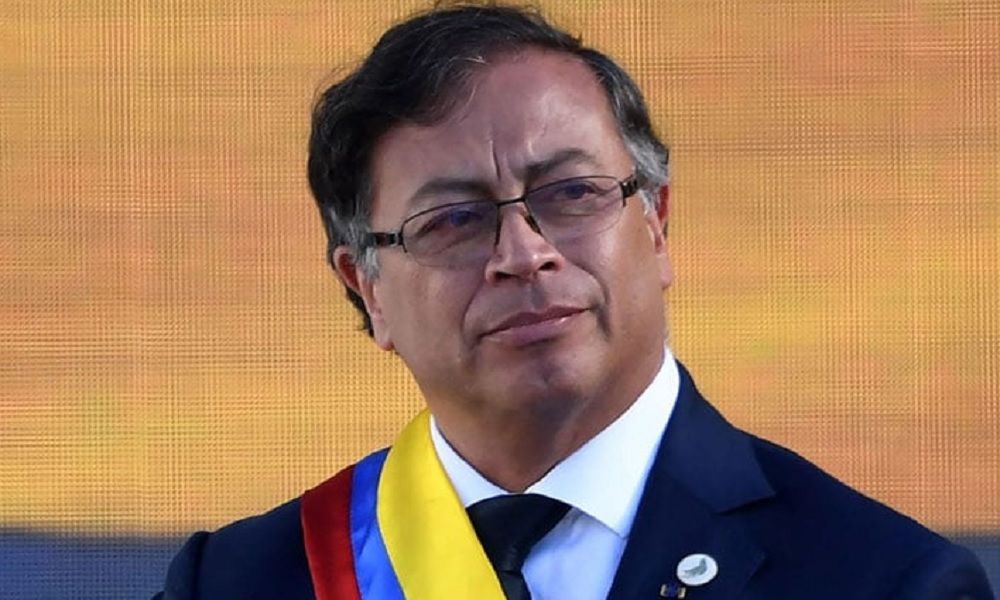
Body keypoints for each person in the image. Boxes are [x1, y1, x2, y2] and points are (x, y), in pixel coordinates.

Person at [154, 4, 993, 599]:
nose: (524, 254)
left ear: (655, 225)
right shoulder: (244, 582)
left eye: (572, 194)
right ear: (366, 287)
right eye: (453, 220)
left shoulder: (878, 579)